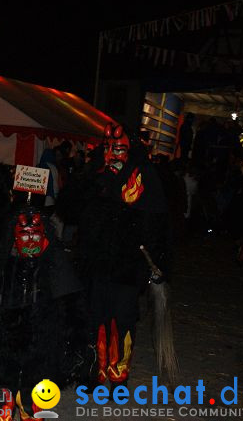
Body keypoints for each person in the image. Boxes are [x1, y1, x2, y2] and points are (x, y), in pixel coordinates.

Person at [0, 205, 89, 420]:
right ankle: (4, 396)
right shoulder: (3, 258)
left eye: (34, 230)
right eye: (24, 230)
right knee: (3, 375)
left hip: (41, 328)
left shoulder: (53, 260)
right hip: (5, 325)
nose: (29, 236)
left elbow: (69, 299)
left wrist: (74, 343)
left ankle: (29, 400)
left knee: (35, 375)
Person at [76, 123, 169, 387]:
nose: (113, 154)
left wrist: (158, 262)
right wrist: (92, 178)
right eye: (108, 148)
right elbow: (74, 210)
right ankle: (96, 371)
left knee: (123, 319)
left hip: (128, 265)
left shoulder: (143, 175)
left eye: (119, 149)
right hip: (96, 262)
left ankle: (118, 375)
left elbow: (157, 223)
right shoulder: (96, 173)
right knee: (96, 317)